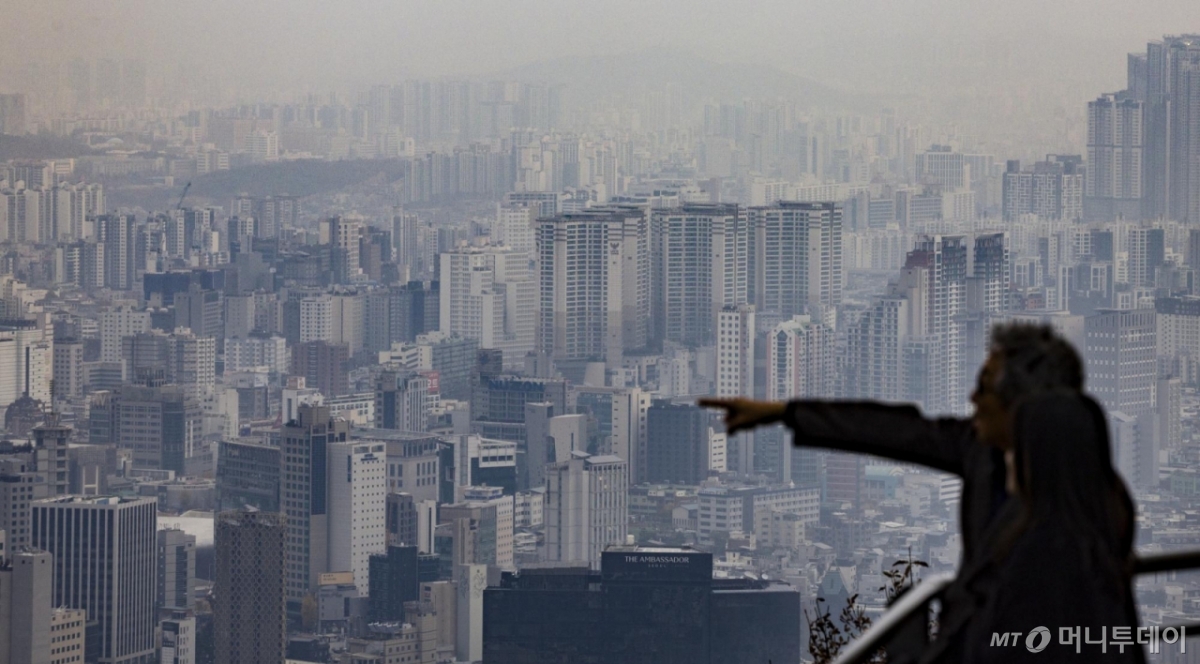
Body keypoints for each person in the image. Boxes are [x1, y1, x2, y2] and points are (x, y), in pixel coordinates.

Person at [699, 322, 1096, 573]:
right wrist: (782, 412)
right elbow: (891, 430)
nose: (972, 398)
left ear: (1020, 404)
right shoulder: (982, 449)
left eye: (984, 386)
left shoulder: (1082, 505)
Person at [927, 391, 1143, 663]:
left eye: (1015, 448)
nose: (1006, 458)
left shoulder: (1038, 556)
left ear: (1038, 458)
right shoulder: (1099, 540)